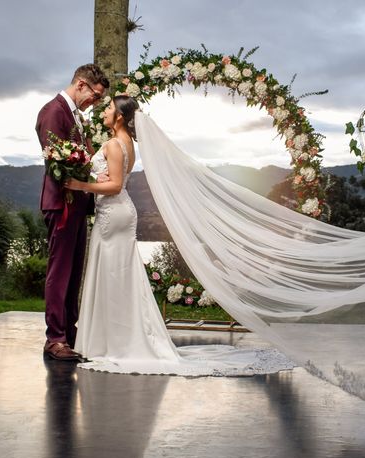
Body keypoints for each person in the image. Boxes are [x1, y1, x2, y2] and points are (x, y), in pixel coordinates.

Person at [64, 96, 294, 376]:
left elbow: (113, 185)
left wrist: (79, 184)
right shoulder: (128, 145)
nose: (105, 111)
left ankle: (110, 343)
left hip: (113, 213)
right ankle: (117, 339)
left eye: (110, 107)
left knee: (112, 275)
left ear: (121, 117)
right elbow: (114, 178)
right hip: (120, 212)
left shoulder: (114, 144)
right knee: (120, 276)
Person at [35, 64, 109, 361]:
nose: (95, 102)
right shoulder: (53, 111)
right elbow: (57, 162)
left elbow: (83, 158)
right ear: (81, 84)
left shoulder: (77, 116)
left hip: (77, 203)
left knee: (74, 271)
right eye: (95, 95)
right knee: (60, 271)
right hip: (61, 202)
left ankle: (69, 329)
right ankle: (55, 339)